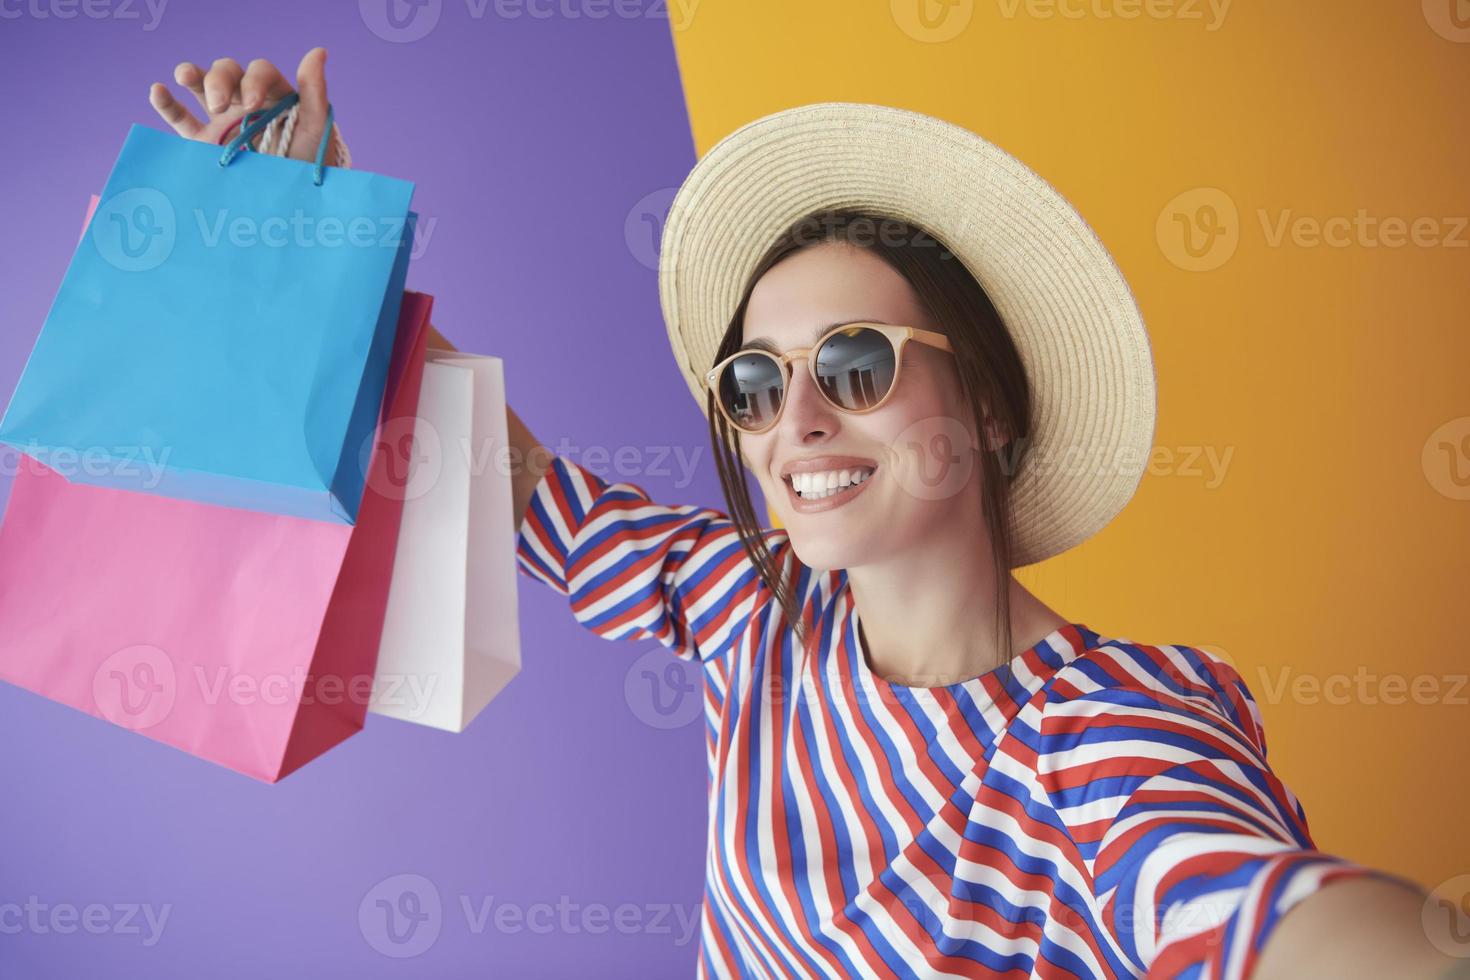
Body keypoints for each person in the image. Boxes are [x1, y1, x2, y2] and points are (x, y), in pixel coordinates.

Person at [148, 51, 1467, 979]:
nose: (798, 423)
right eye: (754, 383)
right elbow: (514, 478)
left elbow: (1253, 908)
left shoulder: (1107, 735)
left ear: (992, 411)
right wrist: (307, 223)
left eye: (853, 364)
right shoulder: (757, 613)